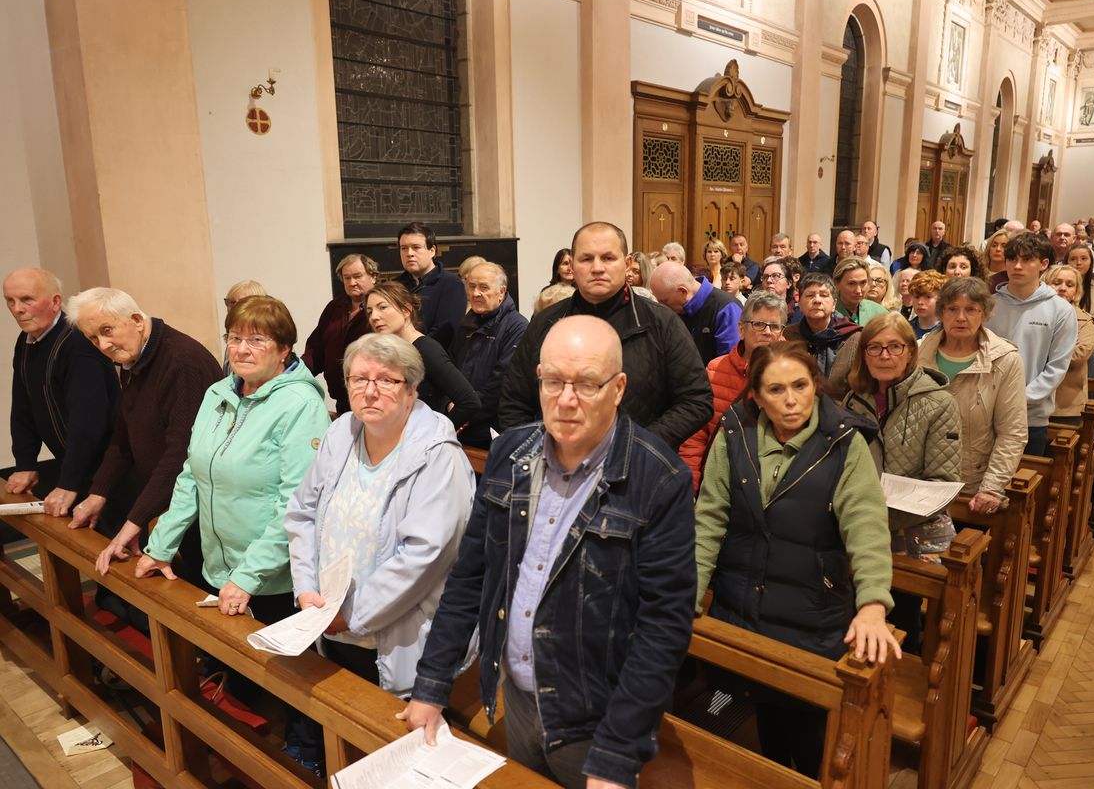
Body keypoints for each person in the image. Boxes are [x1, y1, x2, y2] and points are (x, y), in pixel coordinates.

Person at [401, 316, 696, 789]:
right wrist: (432, 685)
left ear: (618, 388)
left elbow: (663, 626)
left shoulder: (659, 479)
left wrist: (618, 752)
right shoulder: (511, 453)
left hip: (597, 720)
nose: (566, 400)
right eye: (553, 381)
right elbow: (470, 576)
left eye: (586, 384)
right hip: (516, 700)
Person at [132, 296, 330, 772]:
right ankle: (239, 724)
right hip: (220, 561)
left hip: (276, 573)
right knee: (239, 660)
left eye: (256, 340)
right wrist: (161, 546)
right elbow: (192, 476)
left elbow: (296, 504)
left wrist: (248, 575)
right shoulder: (218, 393)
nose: (242, 348)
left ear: (284, 349)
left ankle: (309, 755)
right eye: (235, 338)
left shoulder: (300, 405)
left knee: (294, 674)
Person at [694, 340, 898, 776]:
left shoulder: (844, 443)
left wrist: (873, 604)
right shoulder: (735, 434)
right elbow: (709, 519)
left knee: (809, 740)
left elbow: (866, 526)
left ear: (815, 385)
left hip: (812, 613)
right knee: (762, 725)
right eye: (776, 390)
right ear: (755, 396)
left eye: (800, 386)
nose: (791, 400)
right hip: (742, 609)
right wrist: (686, 595)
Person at [285, 333, 475, 772]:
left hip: (400, 638)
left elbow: (423, 557)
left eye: (386, 380)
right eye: (359, 379)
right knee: (347, 751)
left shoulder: (438, 456)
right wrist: (306, 590)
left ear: (412, 389)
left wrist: (351, 615)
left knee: (396, 765)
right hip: (330, 623)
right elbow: (302, 512)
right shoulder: (341, 433)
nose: (370, 391)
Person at [499, 221, 711, 451]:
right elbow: (513, 401)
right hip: (556, 464)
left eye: (608, 258)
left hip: (637, 465)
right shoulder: (546, 323)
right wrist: (539, 452)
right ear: (572, 264)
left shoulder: (662, 323)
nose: (597, 268)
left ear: (627, 264)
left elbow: (696, 400)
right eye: (586, 259)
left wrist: (638, 447)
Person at [66, 288, 224, 582]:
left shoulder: (181, 362)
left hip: (205, 503)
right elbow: (124, 434)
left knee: (207, 585)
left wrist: (136, 520)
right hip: (176, 499)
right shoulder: (133, 358)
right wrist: (99, 492)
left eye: (107, 330)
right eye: (93, 338)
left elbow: (181, 454)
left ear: (137, 320)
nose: (103, 345)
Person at [4, 269, 120, 518]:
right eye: (10, 301)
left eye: (26, 299)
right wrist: (25, 463)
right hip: (74, 462)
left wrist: (69, 483)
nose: (17, 309)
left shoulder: (78, 343)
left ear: (56, 302)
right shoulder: (26, 341)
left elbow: (88, 423)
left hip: (108, 469)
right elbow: (23, 407)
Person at [843, 313, 961, 557]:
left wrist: (876, 516)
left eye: (895, 346)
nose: (884, 355)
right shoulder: (853, 400)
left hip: (918, 532)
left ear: (910, 352)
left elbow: (942, 482)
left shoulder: (939, 403)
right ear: (864, 354)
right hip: (860, 528)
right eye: (874, 347)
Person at [917, 278, 1027, 512]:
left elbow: (1012, 433)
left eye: (970, 310)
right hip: (919, 482)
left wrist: (991, 488)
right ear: (941, 313)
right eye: (952, 309)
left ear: (984, 314)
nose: (960, 317)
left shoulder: (1005, 360)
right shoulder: (917, 353)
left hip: (972, 486)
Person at [679, 290, 787, 493]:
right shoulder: (715, 370)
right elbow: (696, 434)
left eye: (774, 326)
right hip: (717, 481)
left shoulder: (794, 373)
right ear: (741, 329)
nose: (767, 332)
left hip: (770, 486)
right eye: (759, 324)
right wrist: (690, 486)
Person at [985, 233, 1077, 456]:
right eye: (1012, 259)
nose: (1017, 266)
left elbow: (1056, 368)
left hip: (1030, 417)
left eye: (1027, 259)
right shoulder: (989, 305)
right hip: (985, 413)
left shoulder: (1061, 310)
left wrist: (1018, 399)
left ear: (1043, 264)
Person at [365, 283, 481, 432]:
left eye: (382, 307)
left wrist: (436, 434)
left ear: (406, 310)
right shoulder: (390, 353)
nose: (374, 317)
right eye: (369, 312)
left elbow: (470, 402)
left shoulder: (426, 349)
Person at [451, 262, 529, 450]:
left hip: (493, 427)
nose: (476, 293)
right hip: (462, 420)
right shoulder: (465, 323)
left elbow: (501, 381)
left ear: (501, 292)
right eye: (471, 286)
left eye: (483, 287)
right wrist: (448, 402)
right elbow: (450, 366)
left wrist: (465, 410)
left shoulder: (517, 326)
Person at [303, 253, 378, 414]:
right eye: (347, 278)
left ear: (373, 277)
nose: (352, 283)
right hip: (342, 399)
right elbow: (315, 349)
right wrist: (297, 374)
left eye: (357, 276)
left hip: (373, 396)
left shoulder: (381, 309)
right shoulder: (334, 307)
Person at [784, 273, 861, 398]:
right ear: (800, 304)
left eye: (824, 295)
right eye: (810, 295)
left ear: (834, 304)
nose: (817, 300)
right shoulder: (788, 335)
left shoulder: (853, 338)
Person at [649, 261, 740, 365]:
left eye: (665, 301)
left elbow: (729, 365)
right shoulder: (677, 309)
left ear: (683, 291)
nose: (662, 307)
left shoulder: (727, 309)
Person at [396, 222, 467, 350]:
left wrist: (409, 352)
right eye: (404, 248)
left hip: (431, 356)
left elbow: (445, 332)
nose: (409, 253)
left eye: (416, 247)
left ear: (432, 251)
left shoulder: (451, 284)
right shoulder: (395, 286)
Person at [1042, 266, 1094, 425]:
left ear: (1076, 292)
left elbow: (1078, 356)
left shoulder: (1084, 320)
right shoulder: (1033, 313)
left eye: (1069, 285)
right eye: (1056, 283)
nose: (1062, 288)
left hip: (1066, 404)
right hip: (1030, 400)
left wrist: (1040, 352)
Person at [1067, 243, 1094, 353]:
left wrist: (1086, 350)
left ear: (1091, 262)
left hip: (1085, 350)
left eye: (1084, 258)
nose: (1078, 263)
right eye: (1073, 259)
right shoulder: (1057, 287)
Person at [833, 257, 887, 326]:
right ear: (836, 284)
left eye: (863, 283)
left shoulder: (879, 313)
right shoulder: (827, 313)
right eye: (851, 284)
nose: (858, 291)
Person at [908, 270, 947, 340]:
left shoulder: (947, 330)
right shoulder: (906, 329)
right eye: (917, 297)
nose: (920, 302)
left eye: (928, 297)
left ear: (941, 299)